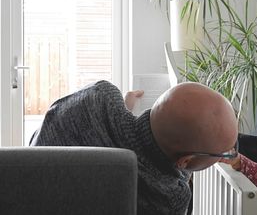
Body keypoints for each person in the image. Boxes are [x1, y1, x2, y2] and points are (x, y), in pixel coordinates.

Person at [30, 80, 238, 215]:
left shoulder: (99, 96)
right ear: (185, 161)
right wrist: (182, 174)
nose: (229, 155)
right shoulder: (169, 200)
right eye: (226, 152)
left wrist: (124, 110)